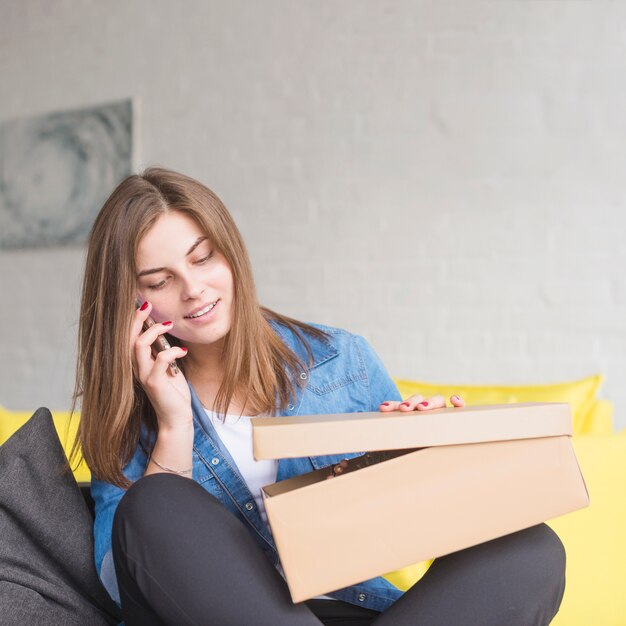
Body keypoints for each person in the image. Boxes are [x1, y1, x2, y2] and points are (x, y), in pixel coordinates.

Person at [73, 167, 566, 626]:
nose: (194, 289)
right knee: (155, 503)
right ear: (130, 303)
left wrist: (424, 451)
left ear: (231, 252)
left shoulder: (341, 360)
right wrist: (174, 426)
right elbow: (124, 584)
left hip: (352, 610)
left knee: (530, 549)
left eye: (203, 258)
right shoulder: (128, 413)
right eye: (160, 281)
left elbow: (418, 526)